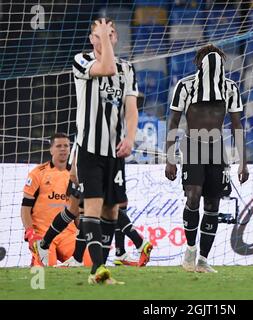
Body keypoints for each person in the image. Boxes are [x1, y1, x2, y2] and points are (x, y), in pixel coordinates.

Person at [165, 45, 249, 273]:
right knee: (193, 197)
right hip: (192, 145)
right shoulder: (185, 85)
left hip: (217, 149)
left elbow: (237, 125)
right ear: (198, 63)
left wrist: (243, 161)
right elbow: (173, 121)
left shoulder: (230, 87)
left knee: (213, 203)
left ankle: (203, 259)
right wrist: (170, 158)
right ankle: (190, 248)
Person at [71, 17, 141, 284]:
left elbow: (131, 108)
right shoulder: (81, 61)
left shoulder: (128, 69)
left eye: (111, 34)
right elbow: (107, 66)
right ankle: (99, 270)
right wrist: (102, 36)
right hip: (89, 149)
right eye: (100, 34)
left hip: (115, 152)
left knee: (112, 211)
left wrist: (131, 138)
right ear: (91, 39)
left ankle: (98, 270)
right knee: (92, 208)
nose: (105, 38)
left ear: (116, 37)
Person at [21, 133, 91, 267]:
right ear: (51, 149)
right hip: (42, 233)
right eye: (59, 146)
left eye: (66, 146)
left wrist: (82, 232)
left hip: (68, 235)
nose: (63, 149)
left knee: (87, 261)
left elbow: (75, 210)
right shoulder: (38, 173)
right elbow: (25, 208)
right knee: (47, 266)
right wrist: (30, 232)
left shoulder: (76, 176)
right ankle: (36, 259)